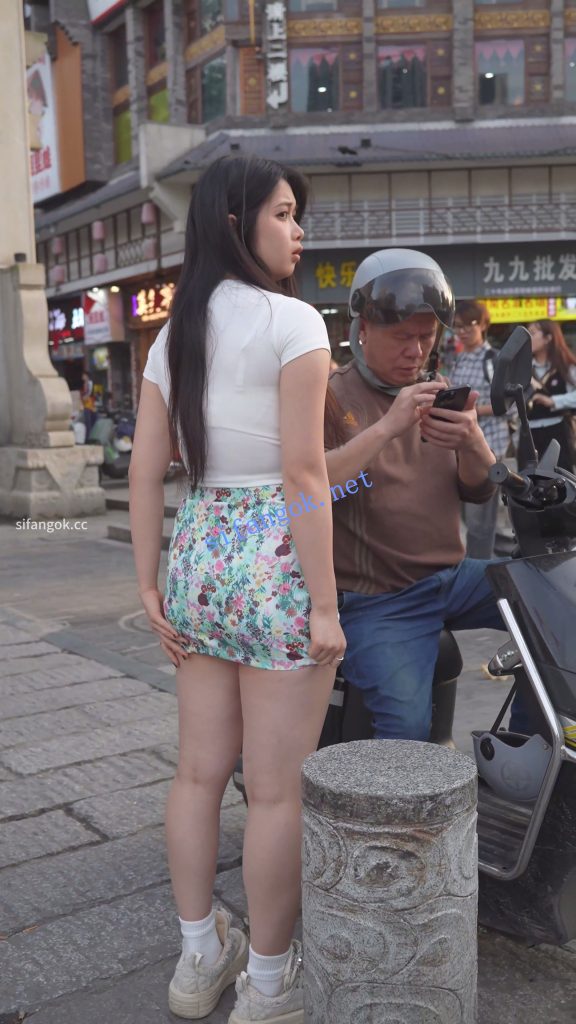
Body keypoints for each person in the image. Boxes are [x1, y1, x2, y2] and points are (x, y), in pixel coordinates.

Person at [129, 155, 345, 1024]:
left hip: (199, 552)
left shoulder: (173, 334)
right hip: (273, 557)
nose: (298, 231)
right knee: (278, 790)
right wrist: (324, 605)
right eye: (284, 213)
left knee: (196, 773)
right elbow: (303, 475)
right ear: (235, 222)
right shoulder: (295, 322)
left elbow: (147, 473)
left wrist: (149, 585)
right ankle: (267, 985)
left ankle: (198, 959)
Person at [323, 248, 508, 742]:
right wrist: (388, 426)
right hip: (380, 598)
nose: (417, 350)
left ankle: (528, 748)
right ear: (363, 328)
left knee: (556, 602)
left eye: (427, 336)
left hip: (454, 577)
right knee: (407, 728)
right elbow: (309, 490)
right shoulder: (331, 396)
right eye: (403, 337)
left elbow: (478, 488)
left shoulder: (437, 388)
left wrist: (472, 440)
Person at [450, 300, 510, 559]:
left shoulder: (493, 360)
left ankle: (480, 573)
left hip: (489, 445)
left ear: (483, 325)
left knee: (479, 520)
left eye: (469, 325)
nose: (462, 331)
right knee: (470, 516)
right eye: (457, 326)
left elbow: (507, 405)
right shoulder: (459, 359)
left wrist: (472, 412)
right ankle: (500, 555)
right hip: (461, 446)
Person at [521, 319, 576, 473]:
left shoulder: (565, 366)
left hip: (557, 430)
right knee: (530, 479)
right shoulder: (523, 367)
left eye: (532, 333)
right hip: (529, 433)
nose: (528, 339)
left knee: (561, 478)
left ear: (548, 338)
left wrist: (553, 401)